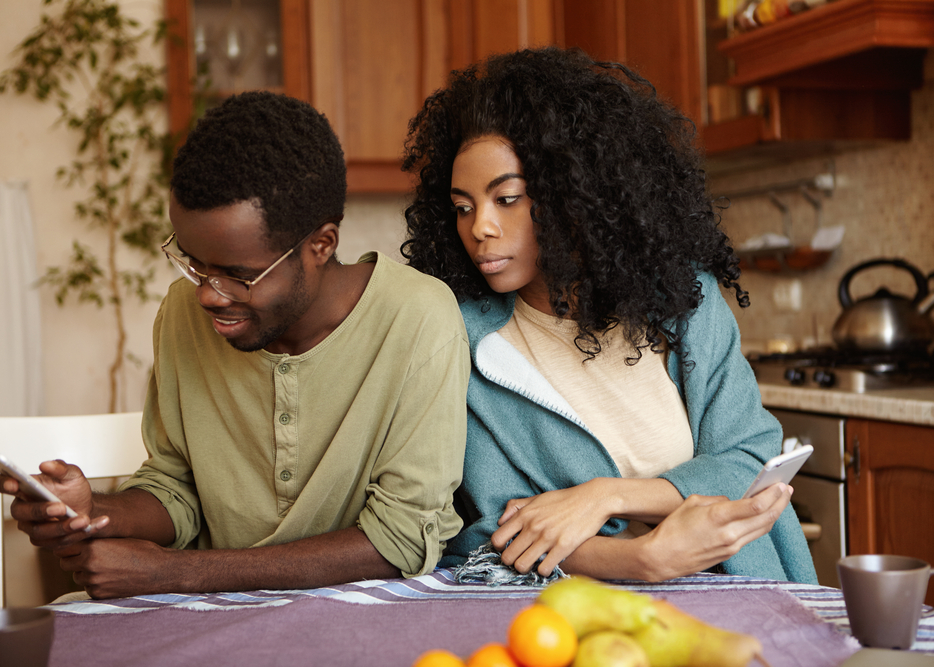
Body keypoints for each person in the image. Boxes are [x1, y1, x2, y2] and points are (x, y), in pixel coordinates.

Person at [1, 91, 471, 599]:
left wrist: (176, 573)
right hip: (206, 614)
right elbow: (177, 488)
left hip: (364, 613)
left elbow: (400, 539)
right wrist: (95, 510)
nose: (207, 294)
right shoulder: (181, 315)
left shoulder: (418, 318)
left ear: (321, 245)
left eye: (238, 275)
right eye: (193, 262)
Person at [401, 47, 817, 584]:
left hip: (749, 590)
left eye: (506, 199)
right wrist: (644, 560)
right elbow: (492, 533)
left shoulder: (684, 299)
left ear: (575, 195)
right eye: (463, 207)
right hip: (589, 612)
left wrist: (605, 498)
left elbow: (750, 458)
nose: (479, 226)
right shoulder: (465, 343)